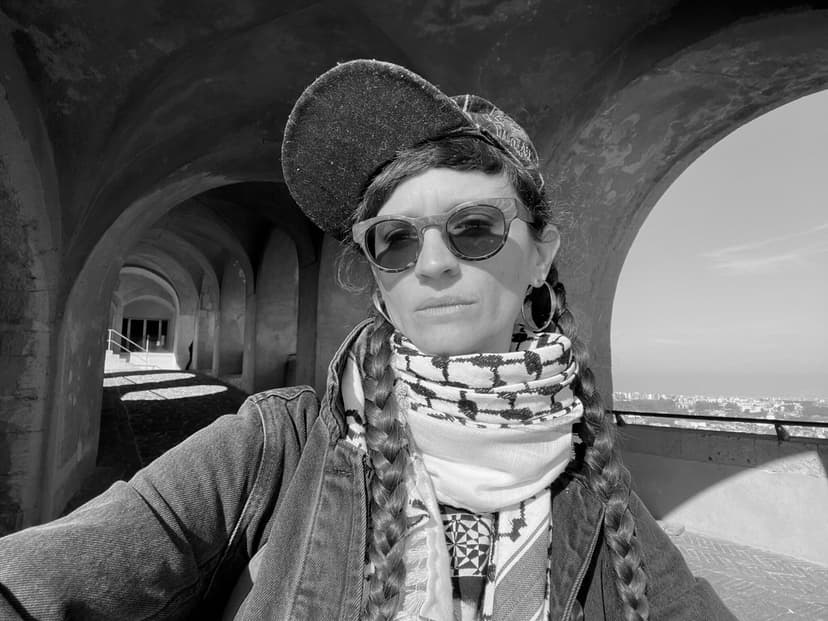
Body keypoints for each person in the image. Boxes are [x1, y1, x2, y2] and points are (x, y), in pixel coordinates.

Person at [0, 60, 737, 621]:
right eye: (397, 239)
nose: (434, 262)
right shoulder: (271, 449)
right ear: (381, 283)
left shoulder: (600, 498)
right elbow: (36, 580)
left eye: (474, 228)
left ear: (541, 255)